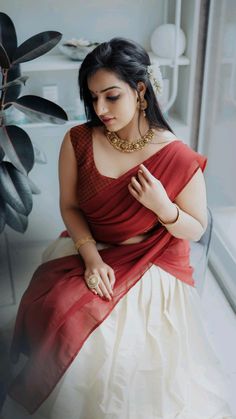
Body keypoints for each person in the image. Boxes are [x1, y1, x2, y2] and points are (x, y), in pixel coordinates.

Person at [1, 37, 234, 419]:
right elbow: (70, 206)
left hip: (153, 260)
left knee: (111, 341)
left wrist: (163, 208)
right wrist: (91, 259)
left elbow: (196, 230)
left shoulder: (175, 154)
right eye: (92, 98)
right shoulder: (78, 140)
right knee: (55, 303)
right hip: (95, 247)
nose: (99, 108)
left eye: (111, 96)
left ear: (140, 90)